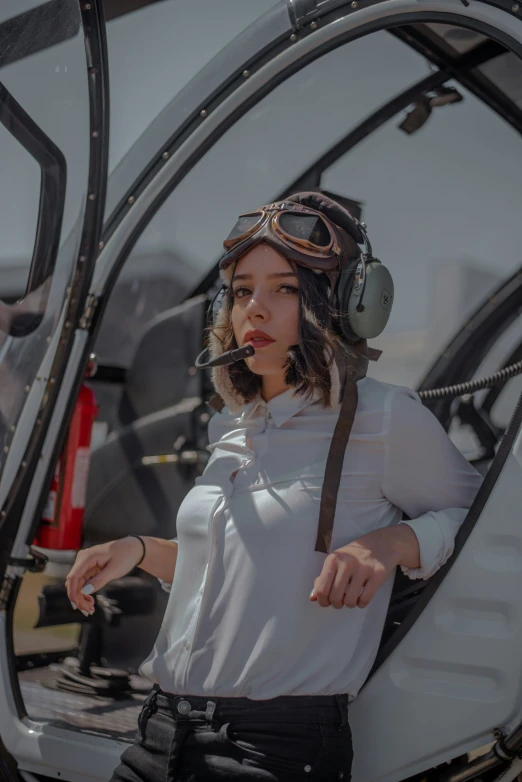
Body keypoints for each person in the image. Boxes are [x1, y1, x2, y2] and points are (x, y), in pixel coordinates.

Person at [65, 193, 483, 781]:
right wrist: (137, 551)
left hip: (271, 752)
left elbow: (485, 524)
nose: (254, 310)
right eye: (241, 291)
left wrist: (391, 543)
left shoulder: (385, 418)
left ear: (343, 304)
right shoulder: (234, 425)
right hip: (159, 733)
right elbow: (238, 567)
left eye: (284, 288)